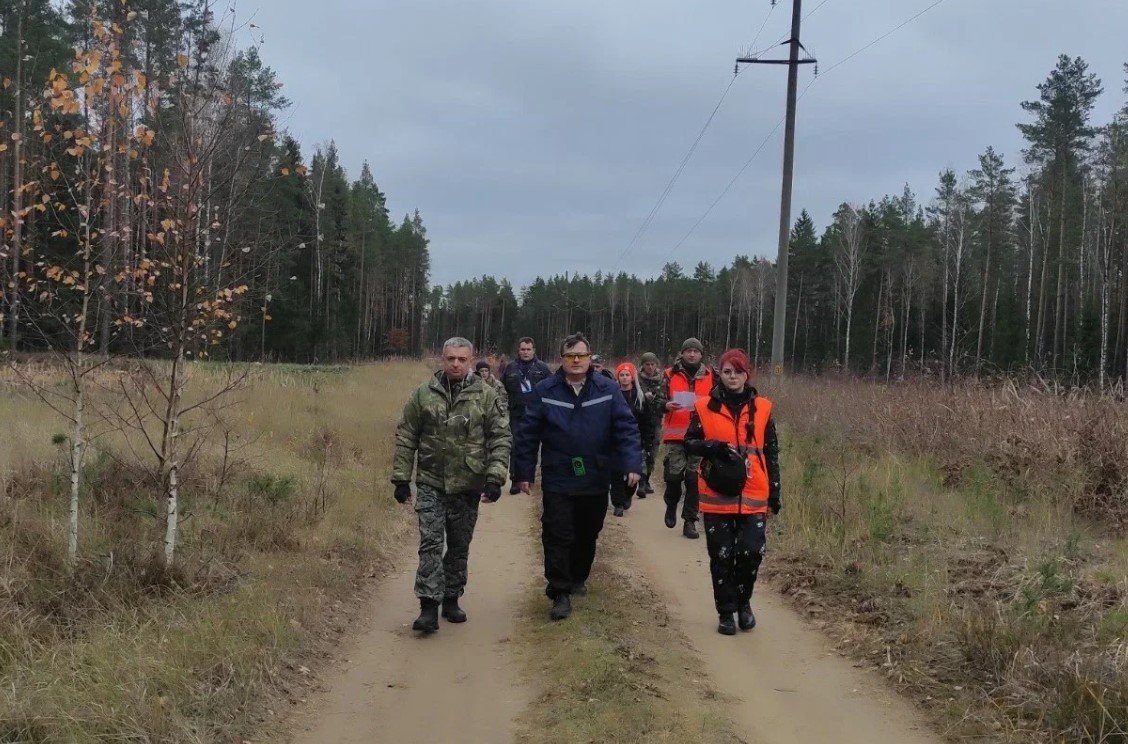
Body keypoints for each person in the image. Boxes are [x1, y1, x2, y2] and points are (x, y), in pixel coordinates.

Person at [513, 332, 643, 621]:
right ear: (561, 359)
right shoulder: (545, 390)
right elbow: (527, 433)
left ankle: (578, 577)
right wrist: (522, 473)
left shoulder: (608, 390)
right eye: (570, 355)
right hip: (558, 474)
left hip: (595, 474)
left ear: (589, 358)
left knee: (588, 531)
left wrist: (632, 464)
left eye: (581, 355)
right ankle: (559, 591)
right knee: (557, 532)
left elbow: (626, 429)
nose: (576, 360)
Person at [391, 337, 512, 634]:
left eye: (462, 359)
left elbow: (500, 438)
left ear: (471, 361)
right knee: (430, 543)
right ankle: (428, 607)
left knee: (458, 545)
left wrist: (495, 478)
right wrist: (401, 478)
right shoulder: (423, 395)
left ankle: (451, 597)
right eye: (450, 359)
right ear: (442, 360)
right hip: (431, 481)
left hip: (467, 484)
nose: (455, 364)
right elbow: (407, 435)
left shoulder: (485, 396)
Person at [684, 348, 781, 636]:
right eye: (727, 371)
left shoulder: (763, 408)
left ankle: (744, 602)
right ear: (720, 374)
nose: (733, 376)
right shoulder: (704, 407)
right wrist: (709, 446)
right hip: (718, 494)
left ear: (746, 374)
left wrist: (775, 492)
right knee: (722, 556)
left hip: (754, 494)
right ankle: (726, 612)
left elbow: (771, 453)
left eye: (738, 371)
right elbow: (689, 443)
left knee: (752, 552)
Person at [661, 338, 715, 539]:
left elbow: (718, 402)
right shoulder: (669, 374)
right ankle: (671, 502)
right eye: (688, 351)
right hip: (676, 435)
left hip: (700, 435)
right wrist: (665, 405)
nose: (692, 354)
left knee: (694, 479)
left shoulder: (712, 376)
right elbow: (656, 401)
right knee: (674, 477)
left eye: (696, 351)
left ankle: (690, 521)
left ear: (701, 355)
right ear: (682, 353)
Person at [501, 337, 552, 493]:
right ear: (519, 350)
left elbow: (551, 389)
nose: (525, 352)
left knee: (534, 446)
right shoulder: (510, 368)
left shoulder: (542, 368)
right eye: (523, 349)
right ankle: (516, 479)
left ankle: (529, 477)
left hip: (537, 414)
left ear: (533, 350)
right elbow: (502, 390)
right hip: (516, 414)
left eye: (528, 349)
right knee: (516, 446)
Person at [609, 362, 651, 517]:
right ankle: (618, 503)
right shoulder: (613, 396)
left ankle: (628, 493)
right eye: (622, 375)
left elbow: (647, 421)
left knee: (632, 472)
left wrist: (647, 441)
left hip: (634, 440)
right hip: (615, 440)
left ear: (632, 377)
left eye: (627, 375)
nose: (625, 378)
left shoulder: (640, 398)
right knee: (616, 473)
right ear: (618, 377)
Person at [636, 352, 667, 497]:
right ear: (642, 365)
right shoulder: (636, 380)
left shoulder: (662, 381)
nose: (650, 367)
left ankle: (647, 478)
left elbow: (664, 399)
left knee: (652, 451)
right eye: (647, 364)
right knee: (640, 450)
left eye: (652, 364)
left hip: (655, 420)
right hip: (639, 419)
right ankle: (641, 481)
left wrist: (656, 401)